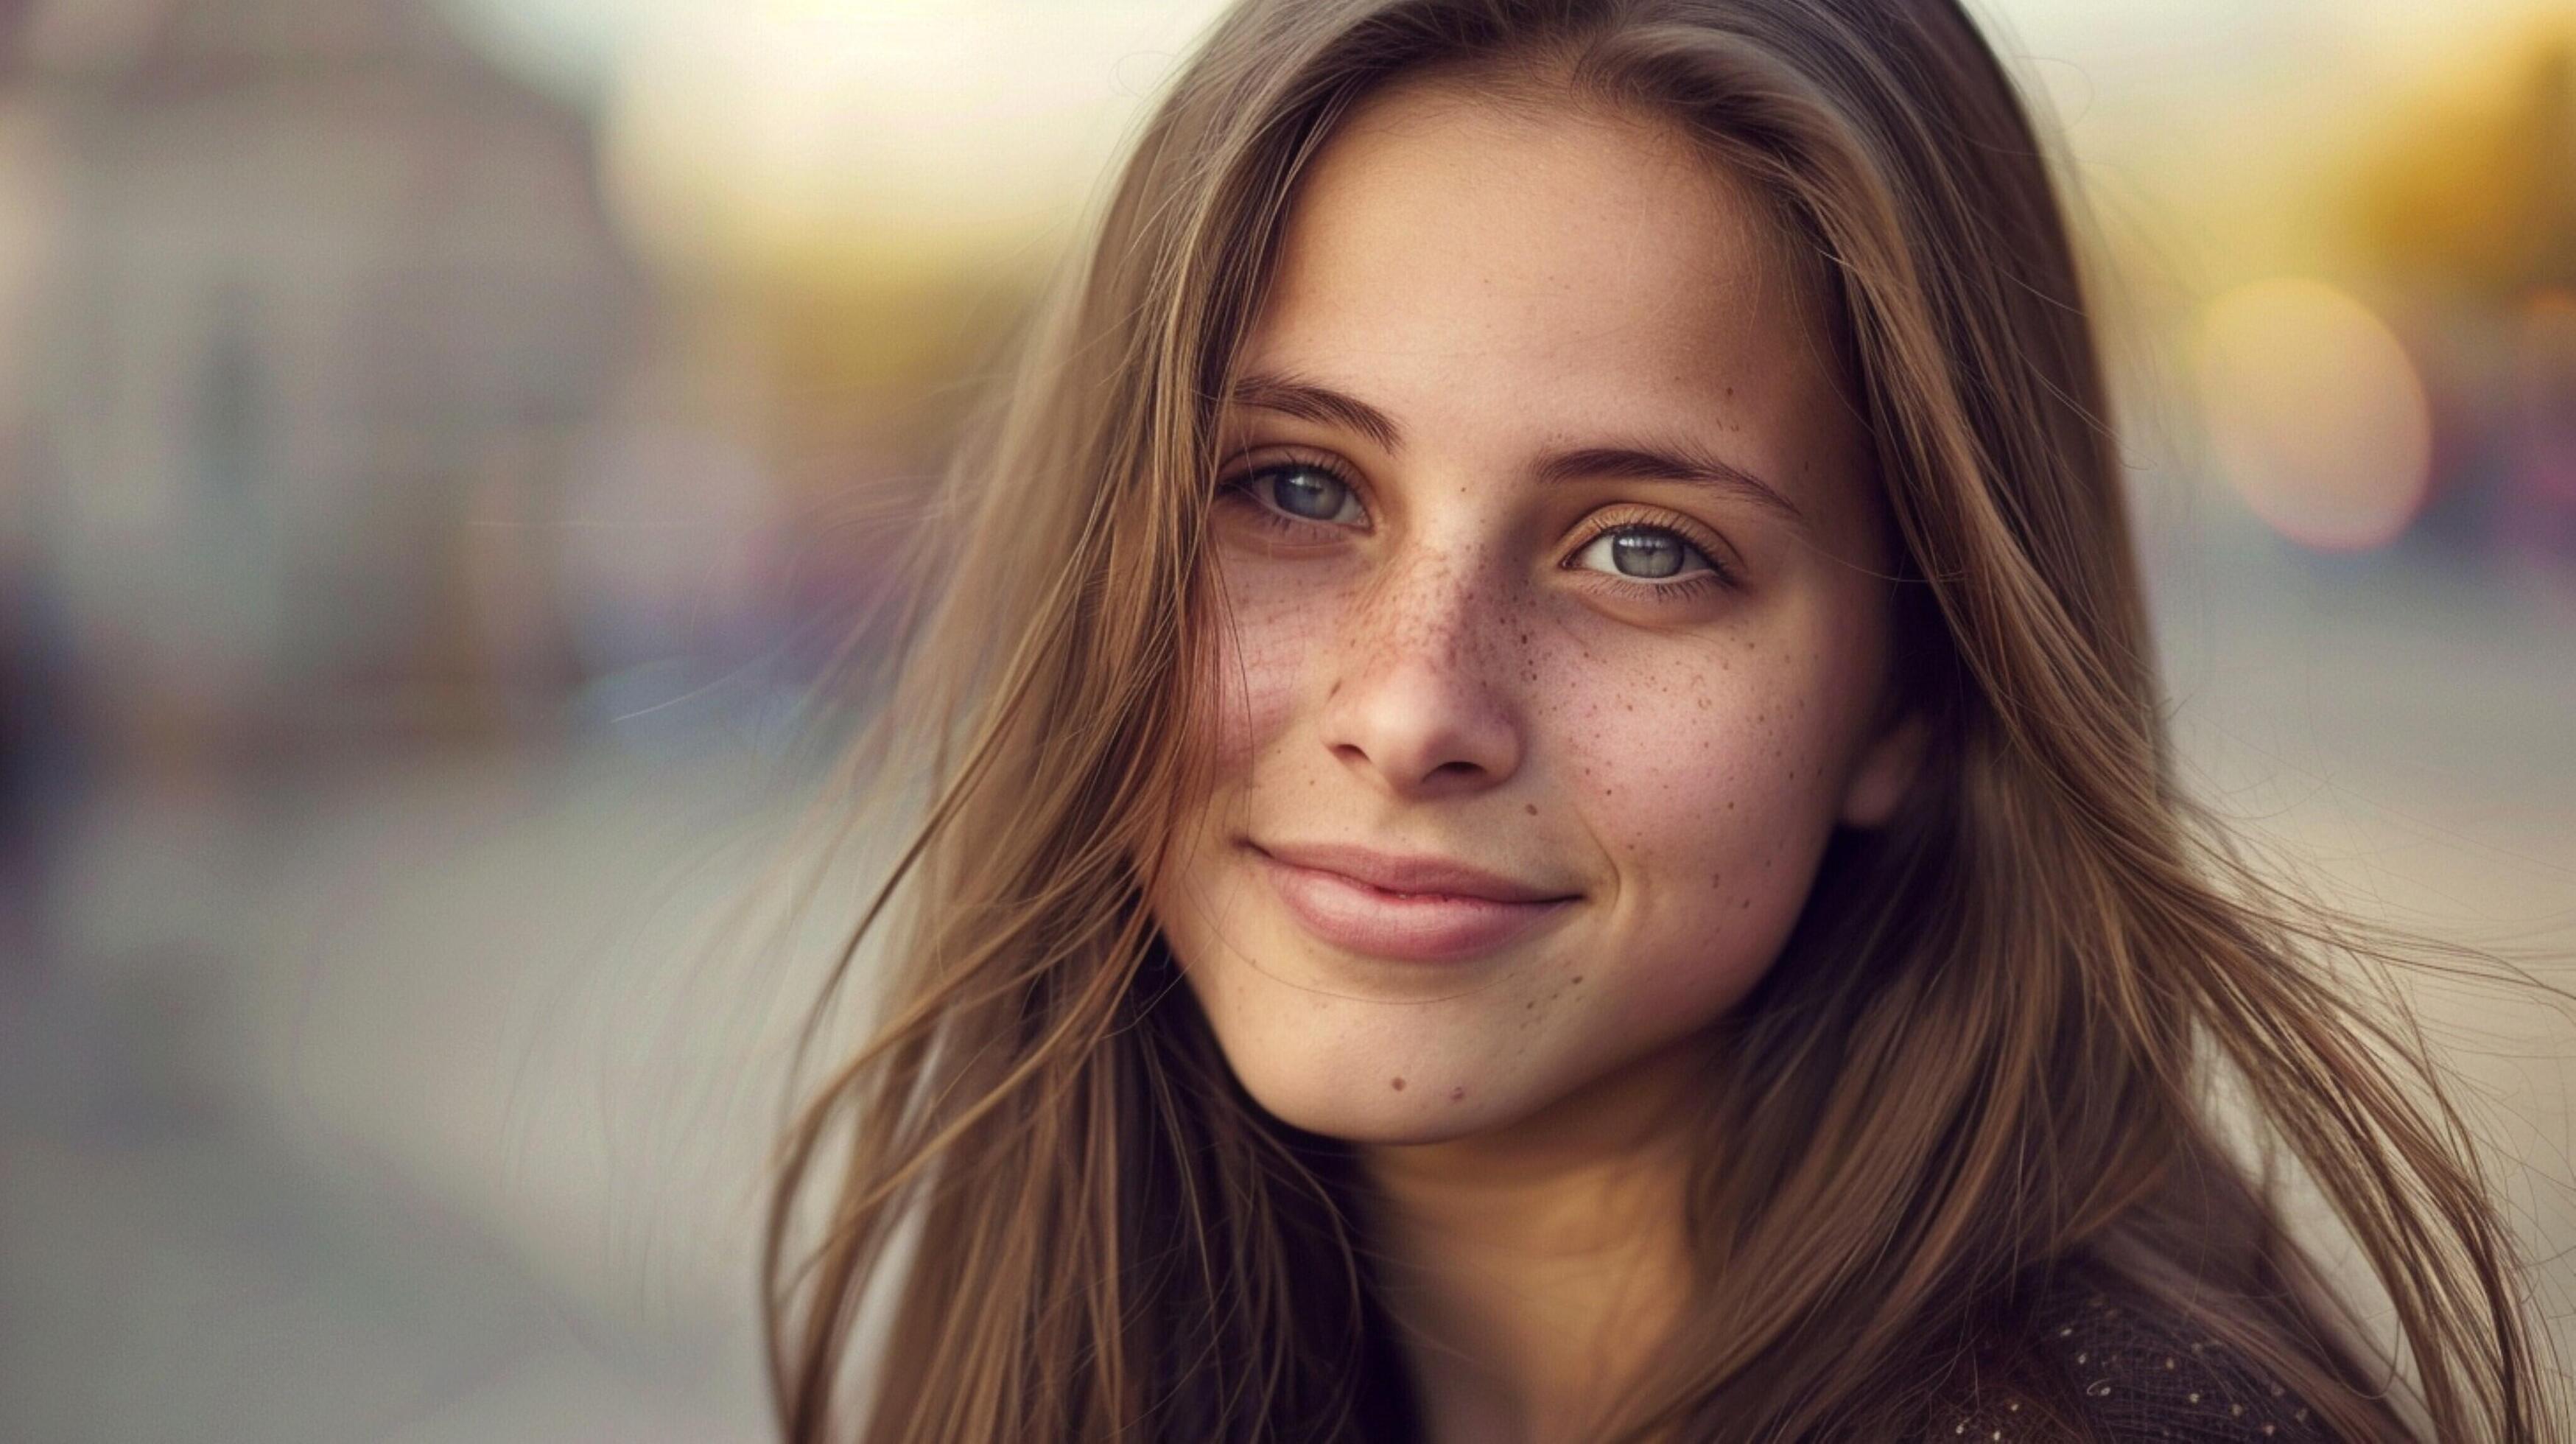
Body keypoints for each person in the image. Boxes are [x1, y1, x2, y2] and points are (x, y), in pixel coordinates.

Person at [759, 1, 2573, 1439]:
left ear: (1915, 696)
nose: (1412, 707)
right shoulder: (1085, 1328)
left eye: (1646, 546)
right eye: (1298, 489)